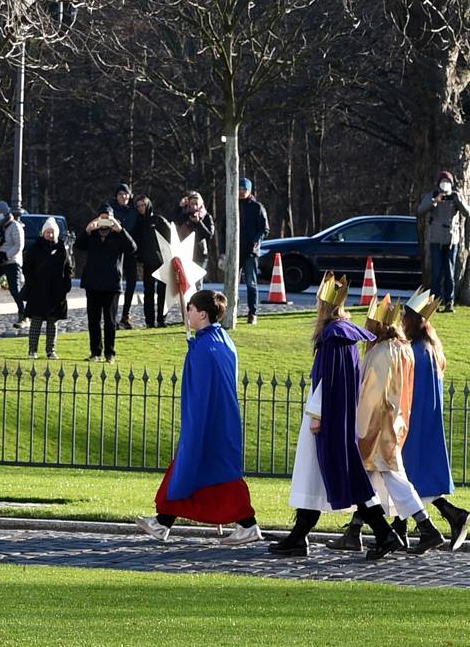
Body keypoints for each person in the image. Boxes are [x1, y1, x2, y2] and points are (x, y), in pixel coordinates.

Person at [139, 290, 262, 546]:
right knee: (187, 469)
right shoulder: (220, 340)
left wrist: (195, 425)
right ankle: (162, 522)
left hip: (210, 422)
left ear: (203, 314)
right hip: (220, 419)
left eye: (191, 310)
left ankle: (248, 524)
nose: (188, 314)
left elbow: (202, 389)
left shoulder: (206, 347)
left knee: (211, 471)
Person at [271, 273, 368, 557]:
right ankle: (299, 534)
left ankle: (301, 535)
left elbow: (329, 379)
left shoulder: (333, 335)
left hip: (323, 416)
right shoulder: (343, 332)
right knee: (317, 475)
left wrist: (317, 414)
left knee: (330, 475)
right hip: (331, 414)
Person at [355, 294, 441, 555]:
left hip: (379, 426)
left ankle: (396, 533)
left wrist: (358, 426)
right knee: (389, 479)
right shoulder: (403, 348)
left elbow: (371, 393)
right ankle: (402, 530)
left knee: (374, 480)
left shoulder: (383, 351)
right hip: (395, 422)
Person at [398, 295, 470, 550]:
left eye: (405, 317)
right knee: (406, 478)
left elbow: (410, 390)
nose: (401, 322)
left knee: (406, 476)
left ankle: (451, 514)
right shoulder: (430, 348)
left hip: (414, 420)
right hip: (424, 418)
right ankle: (400, 531)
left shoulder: (418, 351)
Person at [75, 210, 137, 361]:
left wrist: (120, 230)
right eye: (102, 218)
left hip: (111, 284)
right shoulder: (93, 234)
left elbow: (132, 248)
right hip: (93, 283)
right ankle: (95, 352)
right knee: (93, 320)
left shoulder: (118, 235)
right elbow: (79, 245)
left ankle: (109, 353)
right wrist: (88, 229)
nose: (104, 222)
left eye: (107, 218)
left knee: (110, 321)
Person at [415, 174, 470, 312]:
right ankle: (434, 302)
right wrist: (435, 201)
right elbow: (420, 210)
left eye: (447, 181)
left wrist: (458, 200)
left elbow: (467, 213)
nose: (445, 184)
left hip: (452, 240)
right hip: (436, 240)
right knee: (436, 273)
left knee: (450, 272)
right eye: (443, 181)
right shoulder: (433, 195)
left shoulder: (456, 196)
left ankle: (449, 302)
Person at [20, 218, 73, 358]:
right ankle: (32, 350)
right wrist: (31, 282)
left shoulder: (62, 248)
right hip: (38, 290)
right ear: (43, 232)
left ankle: (51, 350)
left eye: (52, 232)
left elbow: (68, 268)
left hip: (56, 291)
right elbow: (27, 267)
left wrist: (66, 285)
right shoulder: (35, 247)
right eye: (48, 232)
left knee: (52, 323)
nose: (50, 235)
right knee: (36, 322)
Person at [129, 195, 169, 327]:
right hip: (147, 263)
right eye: (138, 206)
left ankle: (161, 319)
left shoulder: (158, 220)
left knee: (163, 293)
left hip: (162, 262)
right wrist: (139, 257)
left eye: (143, 205)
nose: (141, 208)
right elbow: (134, 242)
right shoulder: (138, 224)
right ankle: (150, 321)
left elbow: (171, 236)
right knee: (148, 293)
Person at [109, 186, 142, 328]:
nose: (123, 197)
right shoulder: (111, 210)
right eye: (120, 194)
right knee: (115, 284)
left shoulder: (134, 211)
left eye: (126, 194)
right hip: (115, 251)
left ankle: (125, 315)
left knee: (131, 283)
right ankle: (112, 317)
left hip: (131, 250)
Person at [238, 179, 270, 323]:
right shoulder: (233, 206)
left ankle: (253, 313)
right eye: (239, 188)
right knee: (233, 283)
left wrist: (256, 241)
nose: (241, 191)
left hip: (251, 251)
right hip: (235, 251)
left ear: (249, 190)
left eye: (244, 189)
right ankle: (232, 310)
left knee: (251, 283)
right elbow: (224, 229)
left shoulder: (257, 207)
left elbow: (264, 229)